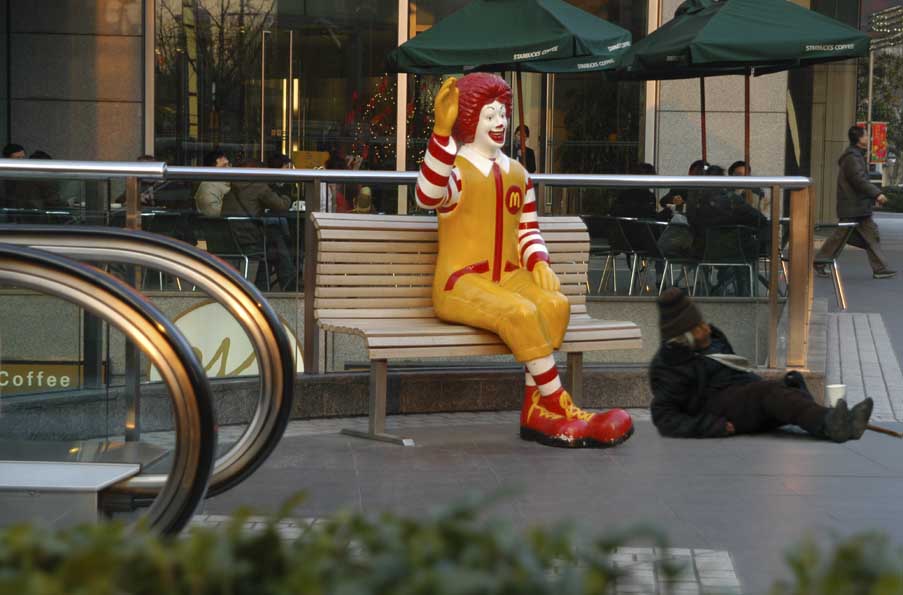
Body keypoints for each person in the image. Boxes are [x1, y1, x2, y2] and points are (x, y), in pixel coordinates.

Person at [415, 73, 633, 448]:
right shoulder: (457, 172)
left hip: (509, 277)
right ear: (469, 120)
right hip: (461, 283)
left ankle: (538, 415)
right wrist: (441, 133)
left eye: (502, 113)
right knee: (519, 312)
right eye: (489, 115)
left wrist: (539, 263)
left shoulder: (519, 174)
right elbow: (427, 195)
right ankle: (560, 405)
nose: (499, 122)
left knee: (555, 304)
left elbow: (527, 230)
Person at [650, 288, 873, 442]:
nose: (706, 329)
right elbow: (664, 417)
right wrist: (712, 427)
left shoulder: (713, 337)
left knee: (790, 383)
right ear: (684, 336)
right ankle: (829, 423)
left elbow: (736, 374)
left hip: (740, 395)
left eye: (701, 323)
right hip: (718, 406)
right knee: (768, 393)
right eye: (697, 328)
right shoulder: (669, 365)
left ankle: (845, 425)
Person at [815, 125, 895, 280]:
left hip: (858, 206)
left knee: (869, 236)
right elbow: (859, 181)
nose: (868, 138)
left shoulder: (855, 156)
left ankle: (880, 268)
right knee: (846, 237)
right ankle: (819, 262)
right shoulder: (852, 158)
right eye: (865, 136)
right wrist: (877, 194)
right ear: (858, 139)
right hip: (854, 207)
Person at [221, 158, 296, 291]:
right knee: (276, 239)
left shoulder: (232, 187)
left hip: (230, 242)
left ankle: (265, 285)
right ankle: (288, 281)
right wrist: (287, 196)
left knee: (272, 241)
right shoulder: (258, 186)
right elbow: (281, 205)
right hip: (250, 241)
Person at [194, 149, 231, 216]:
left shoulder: (225, 183)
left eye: (229, 165)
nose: (229, 168)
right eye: (224, 165)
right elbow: (212, 214)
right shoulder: (208, 187)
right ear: (212, 169)